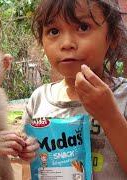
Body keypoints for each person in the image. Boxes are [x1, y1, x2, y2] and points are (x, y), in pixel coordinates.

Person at [23, 0, 127, 179]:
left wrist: (110, 117)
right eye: (54, 31)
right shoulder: (38, 100)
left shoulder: (123, 96)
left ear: (112, 37)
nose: (67, 43)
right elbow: (29, 166)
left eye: (83, 27)